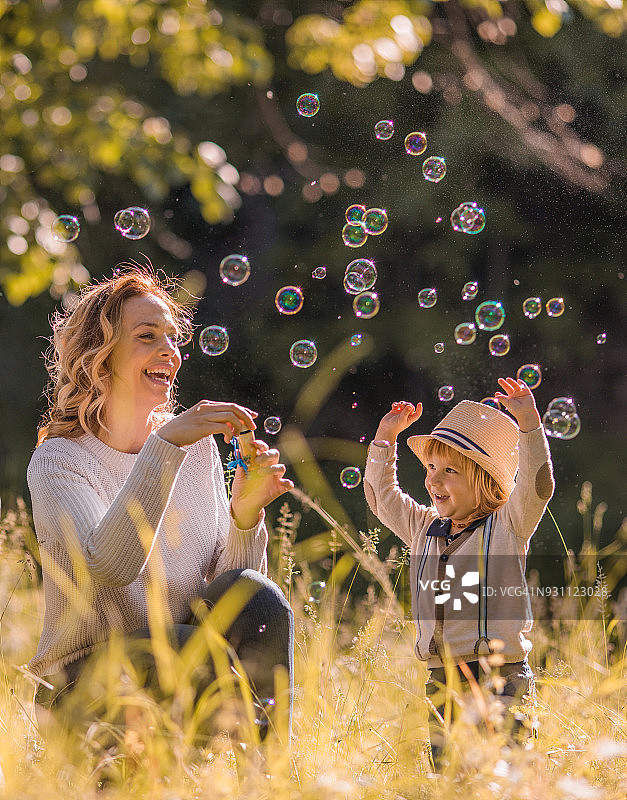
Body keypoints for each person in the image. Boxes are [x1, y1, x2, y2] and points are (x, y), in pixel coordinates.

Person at [26, 267, 295, 741]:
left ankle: (267, 782)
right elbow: (110, 568)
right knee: (190, 647)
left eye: (172, 339)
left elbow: (233, 596)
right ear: (100, 356)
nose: (168, 351)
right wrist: (164, 445)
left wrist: (245, 517)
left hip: (179, 662)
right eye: (147, 336)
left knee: (260, 596)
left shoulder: (194, 450)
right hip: (81, 689)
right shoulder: (59, 461)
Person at [364, 378, 555, 768]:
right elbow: (380, 498)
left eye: (450, 470)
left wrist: (530, 427)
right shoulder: (423, 526)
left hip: (501, 677)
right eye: (431, 466)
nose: (433, 479)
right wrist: (385, 439)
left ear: (485, 481)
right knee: (449, 778)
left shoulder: (508, 525)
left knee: (508, 775)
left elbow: (537, 486)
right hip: (442, 679)